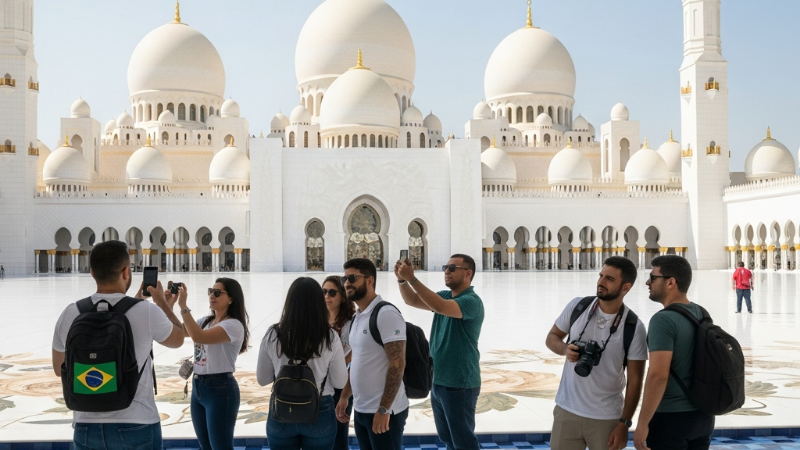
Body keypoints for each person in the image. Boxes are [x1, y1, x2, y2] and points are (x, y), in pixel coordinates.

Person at [51, 240, 185, 450]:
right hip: (137, 423)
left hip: (86, 426)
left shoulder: (71, 312)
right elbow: (178, 339)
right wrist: (162, 303)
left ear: (92, 273)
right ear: (126, 272)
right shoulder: (147, 312)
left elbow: (60, 369)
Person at [545, 256, 648, 450]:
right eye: (601, 276)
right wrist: (565, 349)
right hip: (567, 411)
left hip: (606, 418)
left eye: (610, 279)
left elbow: (635, 381)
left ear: (625, 287)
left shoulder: (634, 327)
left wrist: (624, 423)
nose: (601, 282)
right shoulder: (578, 306)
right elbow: (552, 337)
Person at [395, 254, 484, 450]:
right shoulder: (445, 296)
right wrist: (402, 280)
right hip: (439, 381)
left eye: (452, 268)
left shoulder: (471, 301)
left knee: (464, 441)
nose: (446, 271)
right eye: (446, 267)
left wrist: (412, 278)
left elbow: (440, 307)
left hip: (460, 383)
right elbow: (412, 300)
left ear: (468, 273)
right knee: (448, 439)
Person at [257, 277, 348, 450]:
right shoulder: (329, 337)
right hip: (320, 409)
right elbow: (340, 382)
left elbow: (263, 379)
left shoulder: (273, 334)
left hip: (282, 409)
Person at [634, 255, 714, 450]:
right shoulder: (701, 313)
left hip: (671, 420)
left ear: (671, 282)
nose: (647, 282)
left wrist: (642, 423)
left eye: (653, 278)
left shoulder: (663, 321)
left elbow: (658, 376)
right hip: (703, 417)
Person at [335, 258, 408, 450]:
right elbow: (358, 362)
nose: (347, 284)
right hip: (362, 409)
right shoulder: (357, 318)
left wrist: (384, 409)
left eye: (352, 278)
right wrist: (345, 396)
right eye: (344, 279)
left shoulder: (386, 313)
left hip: (385, 411)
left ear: (369, 280)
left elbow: (398, 364)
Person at [174, 278, 250, 450]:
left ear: (231, 299)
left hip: (220, 390)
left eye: (217, 293)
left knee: (220, 447)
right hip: (199, 387)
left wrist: (183, 306)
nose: (211, 296)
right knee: (205, 446)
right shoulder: (206, 321)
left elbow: (198, 336)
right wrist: (165, 303)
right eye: (210, 291)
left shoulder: (233, 325)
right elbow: (177, 330)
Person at [324, 275, 356, 450]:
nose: (326, 296)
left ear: (343, 297)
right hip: (320, 384)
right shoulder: (318, 320)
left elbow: (353, 354)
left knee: (338, 436)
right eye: (323, 292)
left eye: (332, 292)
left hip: (340, 386)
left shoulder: (350, 324)